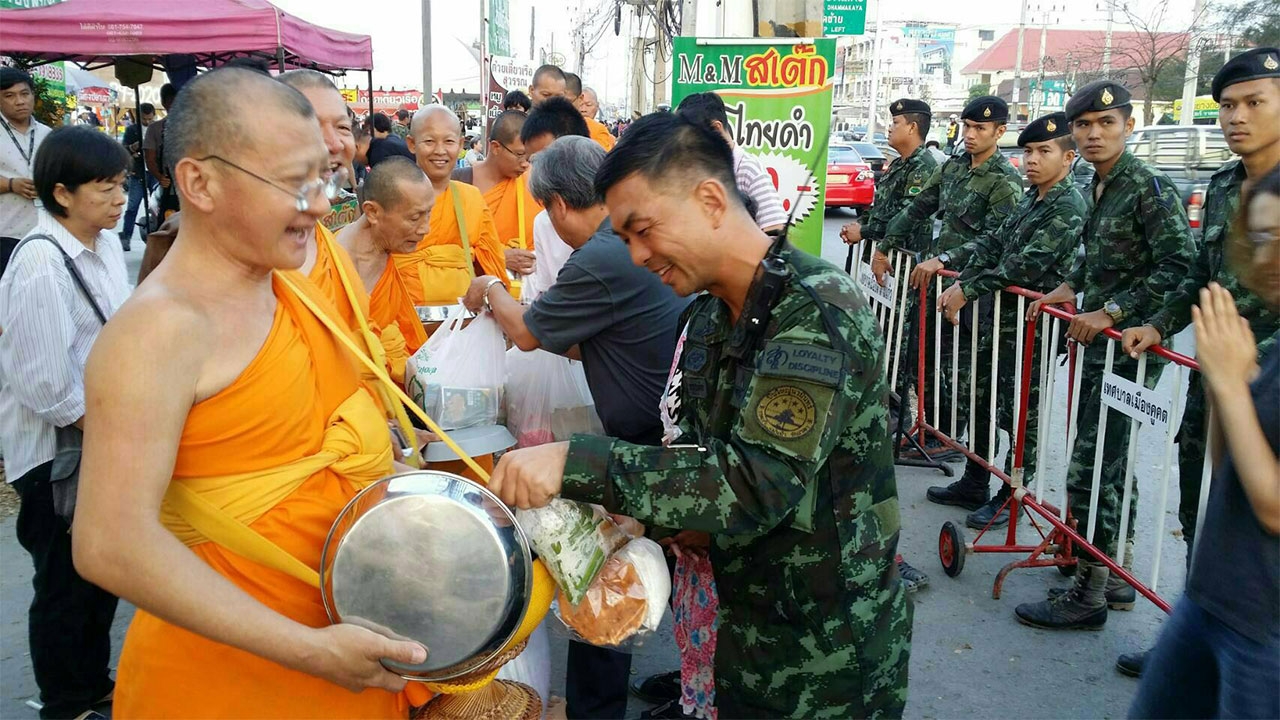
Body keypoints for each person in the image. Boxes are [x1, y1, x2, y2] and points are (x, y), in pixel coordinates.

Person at [485, 111, 912, 719]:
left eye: (642, 230)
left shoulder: (814, 312)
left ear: (711, 198)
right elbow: (694, 457)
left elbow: (751, 482)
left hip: (826, 650)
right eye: (624, 237)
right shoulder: (710, 316)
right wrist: (637, 523)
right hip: (744, 631)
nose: (635, 256)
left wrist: (576, 462)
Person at [71, 67, 427, 718]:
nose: (321, 205)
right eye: (294, 184)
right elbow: (110, 543)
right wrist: (308, 650)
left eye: (322, 179)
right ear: (199, 182)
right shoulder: (159, 331)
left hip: (348, 637)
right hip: (232, 674)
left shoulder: (291, 285)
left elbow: (321, 440)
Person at [462, 134, 691, 720]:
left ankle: (597, 709)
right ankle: (681, 690)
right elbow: (595, 343)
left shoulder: (600, 255)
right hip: (665, 421)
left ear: (558, 206)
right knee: (649, 570)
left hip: (645, 439)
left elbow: (528, 332)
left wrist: (489, 287)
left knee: (601, 574)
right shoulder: (624, 245)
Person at [1114, 45, 1280, 677]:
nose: (1236, 117)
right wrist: (1157, 322)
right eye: (1228, 106)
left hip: (1268, 384)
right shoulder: (1220, 188)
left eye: (1254, 103)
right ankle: (1200, 630)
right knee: (1202, 504)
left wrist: (1247, 368)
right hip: (1218, 383)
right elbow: (1198, 277)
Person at [1017, 80, 1196, 631]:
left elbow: (1180, 266)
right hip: (1107, 345)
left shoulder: (1147, 186)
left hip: (1133, 347)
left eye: (1106, 123)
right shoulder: (1100, 184)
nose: (1094, 134)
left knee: (1091, 466)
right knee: (1109, 462)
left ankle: (1090, 591)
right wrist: (1072, 287)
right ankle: (1114, 573)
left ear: (1129, 125)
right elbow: (1105, 260)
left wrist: (1114, 311)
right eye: (1084, 125)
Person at [0, 125, 131, 720]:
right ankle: (66, 700)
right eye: (104, 187)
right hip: (57, 453)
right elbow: (44, 385)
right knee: (63, 584)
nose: (119, 198)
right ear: (62, 194)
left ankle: (91, 685)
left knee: (99, 574)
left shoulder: (102, 247)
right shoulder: (39, 265)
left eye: (122, 184)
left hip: (96, 439)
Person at [936, 112, 1087, 529]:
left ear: (1068, 157)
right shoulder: (1031, 198)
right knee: (982, 398)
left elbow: (1026, 263)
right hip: (1001, 321)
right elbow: (993, 242)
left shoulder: (1068, 205)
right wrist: (961, 275)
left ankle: (1014, 491)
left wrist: (970, 288)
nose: (1032, 160)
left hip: (1033, 330)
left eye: (1044, 151)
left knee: (1022, 413)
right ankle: (975, 478)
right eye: (1028, 152)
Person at [886, 96, 1021, 518]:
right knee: (929, 362)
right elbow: (920, 206)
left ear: (1000, 132)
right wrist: (887, 242)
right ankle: (971, 478)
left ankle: (960, 454)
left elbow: (997, 242)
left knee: (973, 386)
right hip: (943, 287)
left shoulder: (1004, 181)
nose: (971, 134)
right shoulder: (955, 166)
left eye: (981, 128)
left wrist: (948, 262)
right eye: (966, 126)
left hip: (978, 299)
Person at [396, 104, 513, 306]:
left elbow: (492, 268)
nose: (440, 151)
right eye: (429, 141)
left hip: (462, 324)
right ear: (412, 144)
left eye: (449, 141)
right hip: (401, 319)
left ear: (460, 145)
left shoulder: (471, 198)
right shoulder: (392, 198)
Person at [337, 157, 433, 363]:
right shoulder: (334, 263)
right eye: (415, 218)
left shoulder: (391, 248)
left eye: (428, 214)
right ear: (372, 212)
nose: (426, 229)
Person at [676, 92, 787, 234]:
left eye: (694, 139)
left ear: (716, 128)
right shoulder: (695, 171)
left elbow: (775, 229)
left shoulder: (748, 169)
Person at [452, 110, 539, 280]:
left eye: (529, 157)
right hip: (468, 288)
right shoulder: (459, 182)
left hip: (520, 293)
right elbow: (443, 247)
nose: (525, 164)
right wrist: (499, 256)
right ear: (496, 147)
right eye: (520, 155)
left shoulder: (534, 183)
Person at [518, 98, 592, 297]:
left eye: (546, 159)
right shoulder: (543, 223)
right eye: (533, 161)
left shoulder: (617, 216)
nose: (539, 171)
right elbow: (544, 298)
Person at [1, 68, 52, 269]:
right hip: (5, 233)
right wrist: (11, 184)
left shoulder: (48, 134)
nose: (19, 101)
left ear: (33, 95)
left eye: (24, 94)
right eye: (9, 96)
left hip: (45, 232)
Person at [120, 102, 157, 251]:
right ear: (139, 116)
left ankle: (159, 235)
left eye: (149, 119)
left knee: (157, 206)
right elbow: (123, 149)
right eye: (144, 119)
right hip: (138, 173)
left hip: (155, 173)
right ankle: (126, 236)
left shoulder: (158, 128)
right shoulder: (132, 130)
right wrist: (132, 148)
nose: (147, 122)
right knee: (133, 206)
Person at [143, 83, 179, 220]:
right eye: (172, 102)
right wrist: (160, 177)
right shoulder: (155, 129)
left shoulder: (194, 128)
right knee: (167, 221)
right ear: (164, 103)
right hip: (168, 186)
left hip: (191, 184)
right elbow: (149, 159)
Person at [575, 87, 615, 151]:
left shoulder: (607, 137)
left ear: (597, 106)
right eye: (580, 105)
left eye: (588, 105)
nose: (583, 109)